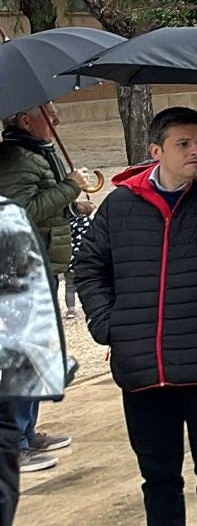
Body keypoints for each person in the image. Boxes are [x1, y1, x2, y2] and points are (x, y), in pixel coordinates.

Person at [74, 107, 197, 526]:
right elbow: (89, 267)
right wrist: (107, 323)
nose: (196, 152)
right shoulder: (120, 205)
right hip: (143, 369)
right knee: (158, 478)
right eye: (184, 144)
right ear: (156, 150)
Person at [0, 103, 80, 468]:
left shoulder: (36, 152)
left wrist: (73, 205)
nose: (57, 120)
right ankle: (14, 443)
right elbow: (22, 210)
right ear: (25, 120)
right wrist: (68, 188)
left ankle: (28, 431)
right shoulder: (15, 157)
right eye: (49, 114)